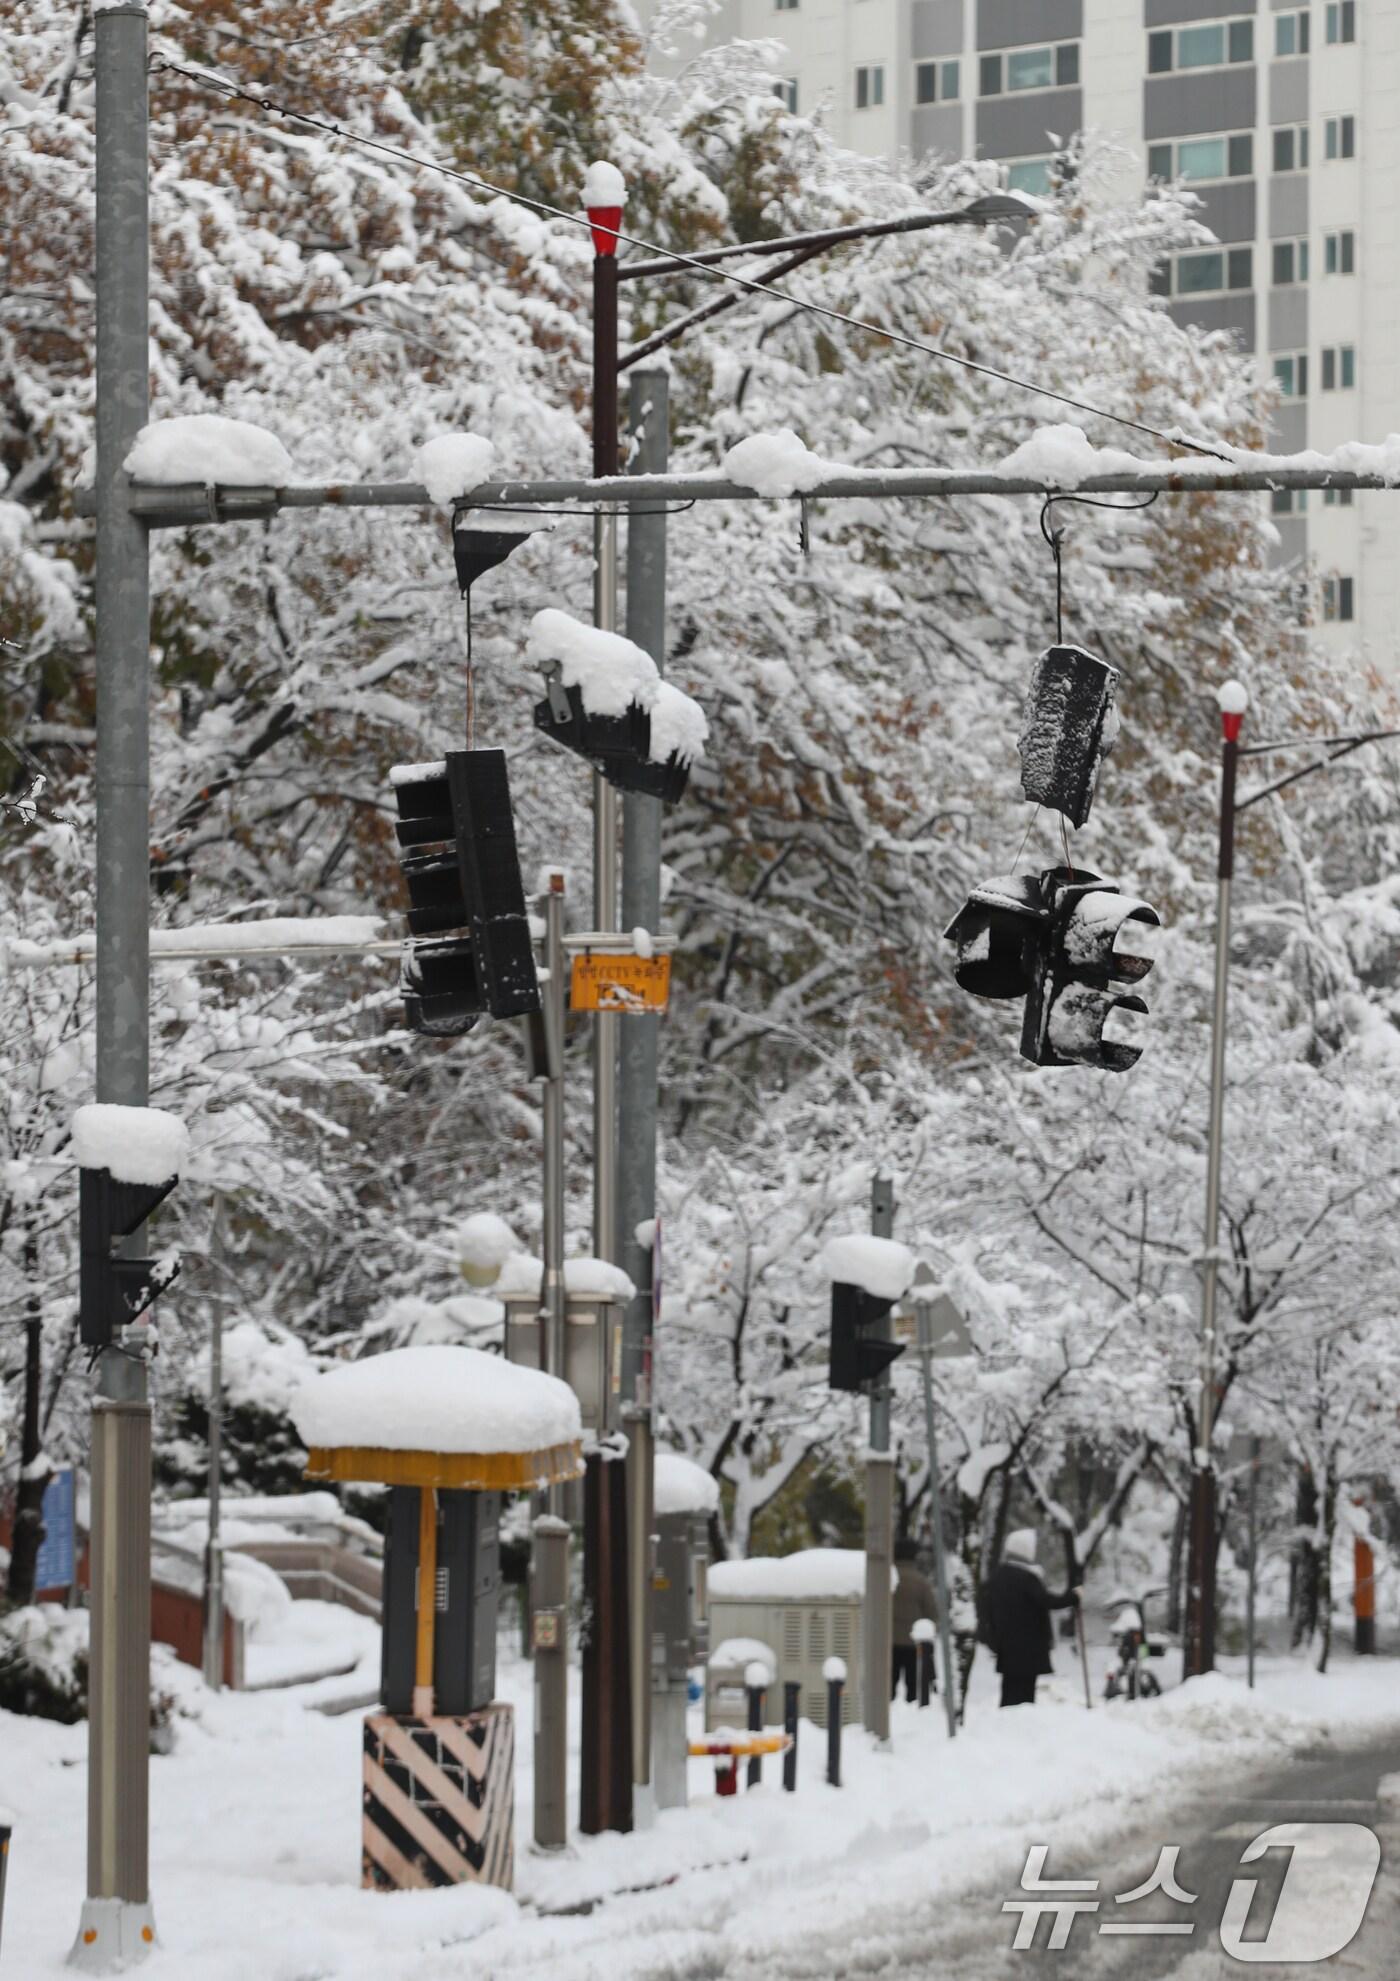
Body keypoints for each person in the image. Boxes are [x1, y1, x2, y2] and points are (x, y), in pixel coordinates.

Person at [976, 1528, 1080, 1707]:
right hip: (1027, 1647)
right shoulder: (1027, 1579)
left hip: (1006, 1645)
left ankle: (1006, 1723)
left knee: (1009, 1689)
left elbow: (985, 1607)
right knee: (1025, 1693)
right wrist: (1072, 1597)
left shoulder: (997, 1578)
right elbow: (1046, 1601)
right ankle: (1019, 1726)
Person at [891, 1536, 939, 1701]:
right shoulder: (921, 1582)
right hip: (914, 1643)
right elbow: (932, 1612)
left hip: (890, 1642)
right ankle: (912, 1708)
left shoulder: (887, 1580)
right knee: (913, 1686)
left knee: (889, 1685)